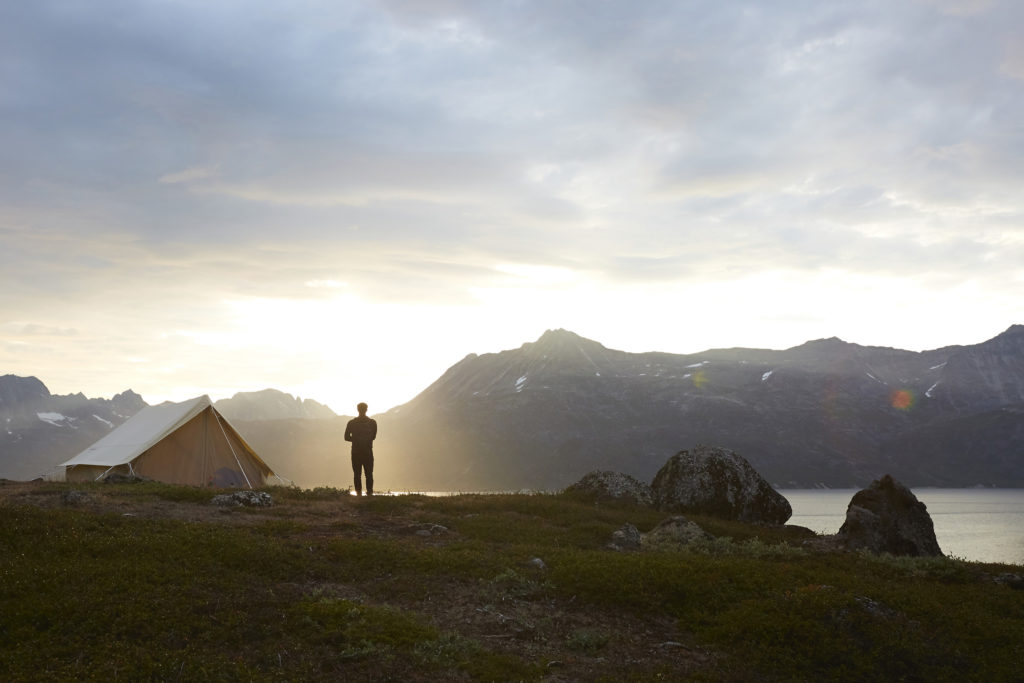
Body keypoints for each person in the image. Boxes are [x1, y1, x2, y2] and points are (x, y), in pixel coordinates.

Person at [344, 402, 377, 496]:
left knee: (357, 475)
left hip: (356, 453)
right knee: (369, 474)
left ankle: (359, 494)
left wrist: (355, 440)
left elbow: (346, 437)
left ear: (357, 409)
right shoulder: (372, 423)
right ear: (366, 409)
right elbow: (373, 437)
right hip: (368, 452)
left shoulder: (351, 423)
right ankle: (369, 494)